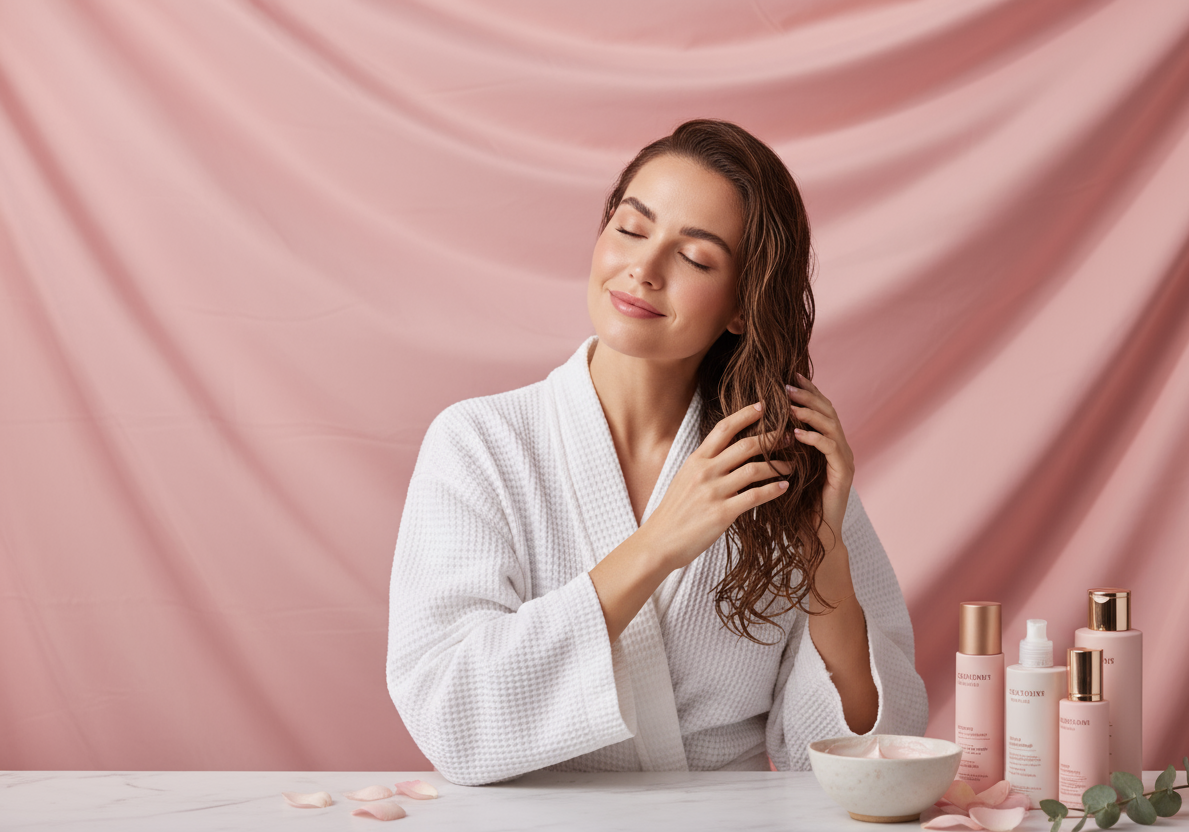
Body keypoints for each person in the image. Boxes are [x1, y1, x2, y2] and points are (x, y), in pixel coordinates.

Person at [386, 119, 928, 786]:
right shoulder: (479, 445)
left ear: (739, 306)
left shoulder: (777, 471)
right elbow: (451, 717)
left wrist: (825, 559)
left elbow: (879, 758)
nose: (642, 269)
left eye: (695, 259)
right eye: (631, 228)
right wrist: (658, 545)